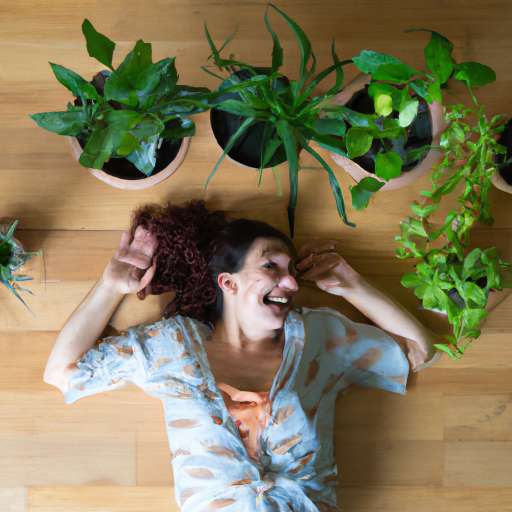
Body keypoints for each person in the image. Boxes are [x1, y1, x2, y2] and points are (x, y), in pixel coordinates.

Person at [43, 200, 440, 512]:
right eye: (271, 265)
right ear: (228, 282)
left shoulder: (317, 339)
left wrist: (353, 286)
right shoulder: (171, 347)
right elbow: (63, 372)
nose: (289, 283)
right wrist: (110, 287)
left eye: (291, 274)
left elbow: (416, 352)